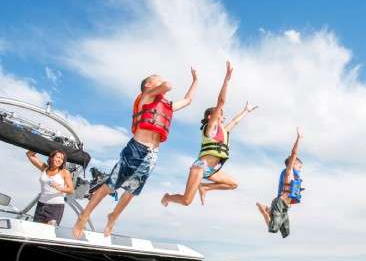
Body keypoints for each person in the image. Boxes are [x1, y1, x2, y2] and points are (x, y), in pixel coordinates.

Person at [72, 68, 198, 238]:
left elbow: (188, 100)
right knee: (110, 185)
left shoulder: (166, 106)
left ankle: (113, 216)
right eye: (157, 80)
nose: (162, 81)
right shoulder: (146, 97)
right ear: (148, 85)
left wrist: (195, 80)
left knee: (132, 191)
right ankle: (84, 216)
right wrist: (163, 84)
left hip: (152, 155)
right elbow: (167, 86)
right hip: (136, 149)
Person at [161, 61, 257, 207]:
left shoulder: (223, 131)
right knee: (186, 201)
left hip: (211, 170)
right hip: (200, 166)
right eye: (220, 114)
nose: (223, 117)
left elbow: (235, 121)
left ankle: (205, 187)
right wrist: (227, 80)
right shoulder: (210, 127)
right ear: (210, 117)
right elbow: (221, 102)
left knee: (233, 184)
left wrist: (246, 111)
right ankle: (167, 197)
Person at [256, 127, 304, 238]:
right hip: (279, 203)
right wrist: (298, 139)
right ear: (292, 165)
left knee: (286, 233)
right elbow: (294, 154)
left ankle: (269, 210)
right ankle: (265, 211)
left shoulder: (294, 177)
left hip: (285, 207)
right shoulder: (289, 172)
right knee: (273, 229)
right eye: (299, 166)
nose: (300, 169)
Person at [26, 149, 74, 226]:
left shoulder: (64, 172)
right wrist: (45, 144)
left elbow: (71, 190)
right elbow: (29, 154)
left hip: (56, 207)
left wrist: (60, 188)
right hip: (41, 205)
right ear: (51, 157)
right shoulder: (44, 168)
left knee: (49, 231)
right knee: (36, 230)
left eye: (62, 159)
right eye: (58, 157)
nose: (60, 160)